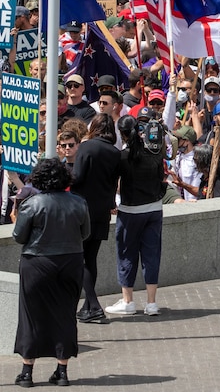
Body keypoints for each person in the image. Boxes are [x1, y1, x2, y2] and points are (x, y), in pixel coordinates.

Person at [12, 158, 90, 388]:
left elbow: (19, 236)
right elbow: (85, 233)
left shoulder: (32, 204)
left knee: (31, 316)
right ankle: (62, 371)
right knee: (66, 313)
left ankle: (27, 372)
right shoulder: (79, 202)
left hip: (37, 262)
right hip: (71, 260)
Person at [105, 115, 167, 317]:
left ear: (121, 133)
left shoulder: (122, 156)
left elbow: (114, 182)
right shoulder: (154, 152)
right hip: (154, 208)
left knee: (126, 253)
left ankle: (128, 300)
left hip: (131, 210)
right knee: (151, 254)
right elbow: (160, 177)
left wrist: (111, 203)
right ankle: (151, 303)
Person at [71, 114, 121, 323]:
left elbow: (77, 176)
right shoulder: (115, 153)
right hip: (102, 211)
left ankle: (94, 305)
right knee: (91, 258)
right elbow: (112, 184)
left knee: (81, 258)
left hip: (83, 209)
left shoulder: (87, 147)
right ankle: (88, 307)